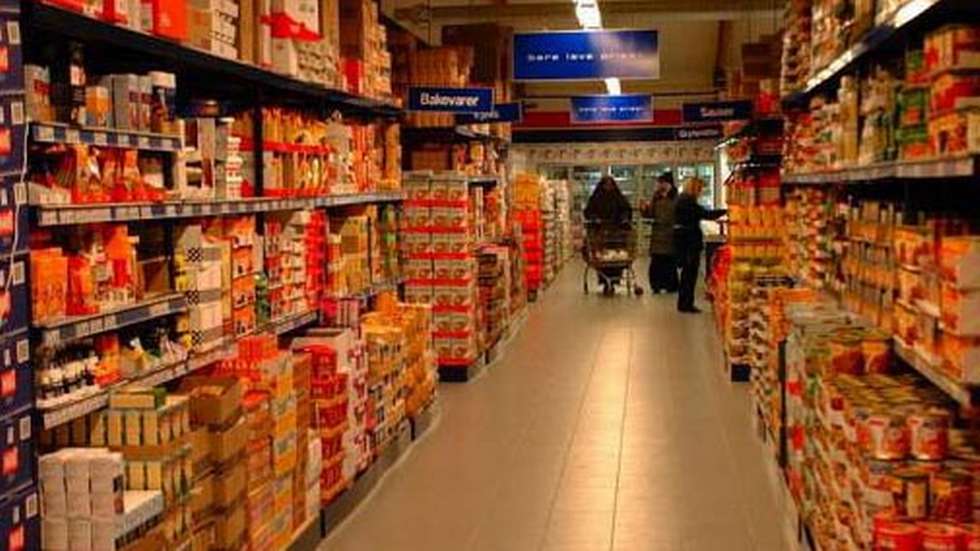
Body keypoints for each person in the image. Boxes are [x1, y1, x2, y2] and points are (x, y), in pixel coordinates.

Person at [673, 177, 726, 313]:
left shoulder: (682, 199)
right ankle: (686, 304)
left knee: (686, 274)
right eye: (700, 189)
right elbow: (705, 214)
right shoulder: (688, 201)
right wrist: (726, 211)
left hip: (683, 241)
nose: (701, 192)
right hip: (689, 242)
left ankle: (684, 303)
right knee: (690, 274)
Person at [584, 175, 632, 295]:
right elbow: (588, 211)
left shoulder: (619, 198)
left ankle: (614, 280)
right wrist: (594, 218)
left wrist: (624, 219)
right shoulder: (595, 199)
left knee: (616, 258)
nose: (608, 187)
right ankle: (605, 280)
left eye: (610, 185)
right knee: (602, 258)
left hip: (616, 234)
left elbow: (626, 210)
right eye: (606, 185)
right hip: (601, 233)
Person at [640, 173, 678, 294]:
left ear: (670, 184)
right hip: (657, 234)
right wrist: (644, 209)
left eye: (663, 183)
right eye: (660, 183)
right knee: (656, 261)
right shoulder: (656, 198)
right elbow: (650, 214)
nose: (661, 185)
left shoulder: (676, 198)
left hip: (671, 235)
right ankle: (656, 285)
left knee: (669, 261)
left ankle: (670, 285)